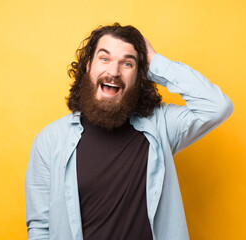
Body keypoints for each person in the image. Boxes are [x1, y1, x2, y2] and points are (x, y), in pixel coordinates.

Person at [25, 23, 233, 240]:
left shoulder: (161, 125)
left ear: (140, 74)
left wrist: (156, 62)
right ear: (88, 66)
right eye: (104, 59)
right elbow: (40, 228)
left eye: (127, 63)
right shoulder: (50, 141)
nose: (113, 72)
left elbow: (217, 107)